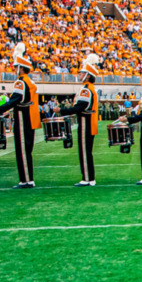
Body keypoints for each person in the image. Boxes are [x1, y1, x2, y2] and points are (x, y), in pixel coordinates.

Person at [0, 43, 41, 189]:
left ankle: (26, 180)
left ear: (21, 68)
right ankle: (26, 179)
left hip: (23, 119)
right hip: (28, 117)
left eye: (16, 66)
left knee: (22, 150)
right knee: (26, 149)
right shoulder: (28, 81)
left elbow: (14, 100)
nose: (14, 69)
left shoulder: (21, 82)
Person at [57, 53, 101, 186]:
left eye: (82, 73)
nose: (80, 75)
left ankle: (87, 178)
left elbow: (80, 107)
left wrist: (62, 111)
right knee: (86, 150)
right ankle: (89, 177)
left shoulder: (86, 89)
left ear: (88, 75)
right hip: (88, 121)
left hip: (85, 122)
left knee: (84, 151)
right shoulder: (89, 88)